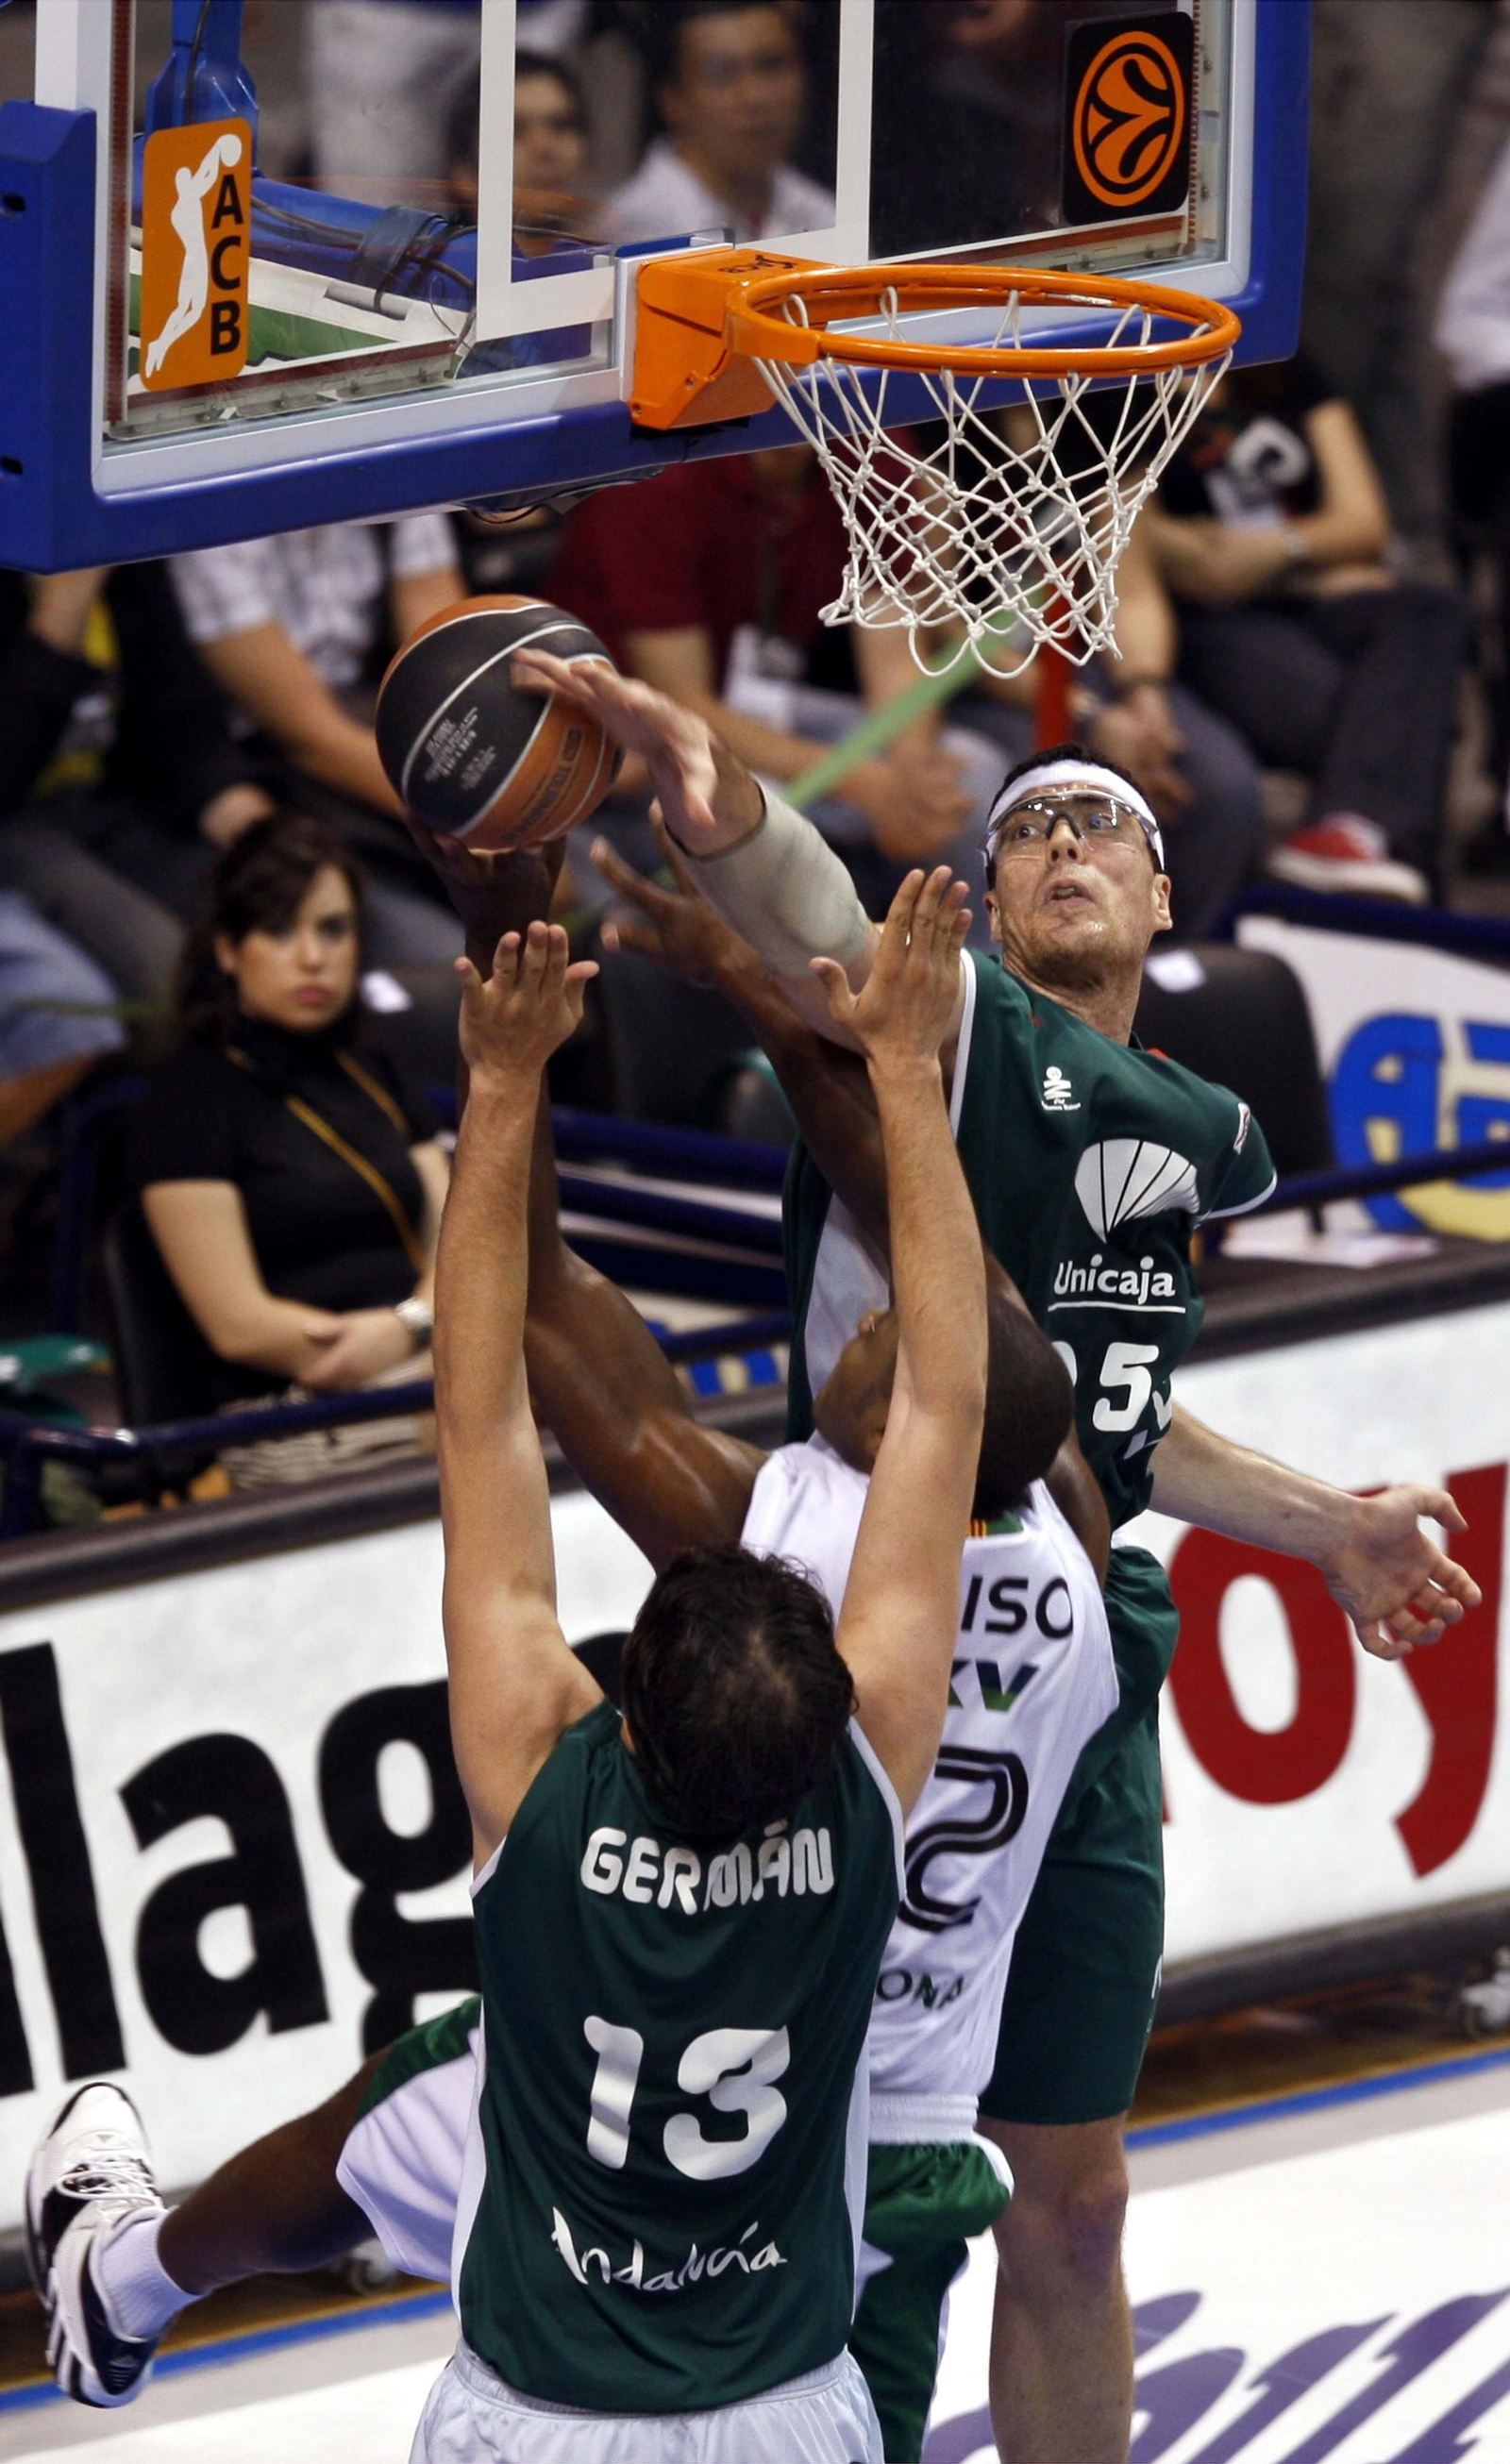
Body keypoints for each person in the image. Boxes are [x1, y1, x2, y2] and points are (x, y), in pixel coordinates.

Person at [502, 648, 1482, 2464]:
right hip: (869, 1623)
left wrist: (1329, 1525)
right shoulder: (952, 1041)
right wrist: (707, 786)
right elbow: (814, 919)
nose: (1067, 844)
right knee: (847, 2174)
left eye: (1104, 822)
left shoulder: (1180, 1125)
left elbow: (1120, 1422)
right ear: (985, 905)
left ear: (1168, 892)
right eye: (1030, 831)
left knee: (1074, 2194)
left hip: (1072, 1649)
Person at [25, 843, 1113, 2464]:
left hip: (539, 2417)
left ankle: (125, 2282)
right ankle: (124, 2278)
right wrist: (904, 1069)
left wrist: (498, 1082)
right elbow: (955, 1404)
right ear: (834, 1719)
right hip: (784, 2408)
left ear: (625, 1713)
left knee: (398, 2113)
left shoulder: (541, 1797)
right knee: (391, 2120)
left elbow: (482, 1415)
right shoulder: (876, 1787)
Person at [547, 443, 1001, 932]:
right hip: (623, 742)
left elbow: (894, 657)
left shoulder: (868, 446)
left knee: (967, 782)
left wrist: (910, 776)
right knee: (756, 836)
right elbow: (681, 707)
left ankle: (985, 972)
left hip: (743, 700)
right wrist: (870, 786)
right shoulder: (659, 480)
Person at [129, 816, 447, 1434]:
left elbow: (458, 1241)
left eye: (333, 929)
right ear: (228, 949)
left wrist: (412, 1327)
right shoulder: (186, 1094)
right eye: (279, 930)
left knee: (594, 1367)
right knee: (531, 1406)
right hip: (286, 1404)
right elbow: (238, 1326)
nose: (312, 958)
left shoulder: (375, 1070)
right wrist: (397, 1348)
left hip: (424, 1364)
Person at [1145, 357, 1474, 904]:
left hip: (1309, 598)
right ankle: (1391, 865)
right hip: (1207, 624)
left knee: (1435, 610)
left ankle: (1348, 836)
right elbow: (1194, 568)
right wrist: (1316, 555)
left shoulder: (1288, 370)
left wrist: (1283, 553)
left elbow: (1366, 522)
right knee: (1404, 711)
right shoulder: (1123, 391)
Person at [169, 514, 469, 982]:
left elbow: (451, 667)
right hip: (287, 769)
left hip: (394, 728)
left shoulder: (394, 479)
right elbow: (312, 738)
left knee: (579, 909)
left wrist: (496, 782)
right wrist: (475, 815)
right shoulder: (211, 519)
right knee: (449, 962)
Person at [0, 563, 273, 1009]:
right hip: (18, 821)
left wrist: (257, 826)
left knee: (280, 904)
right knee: (168, 972)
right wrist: (62, 610)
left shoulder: (122, 557)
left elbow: (179, 722)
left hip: (117, 802)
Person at [608, 0, 835, 247]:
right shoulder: (629, 232)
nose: (754, 98)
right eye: (722, 74)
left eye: (771, 66)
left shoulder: (824, 214)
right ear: (671, 98)